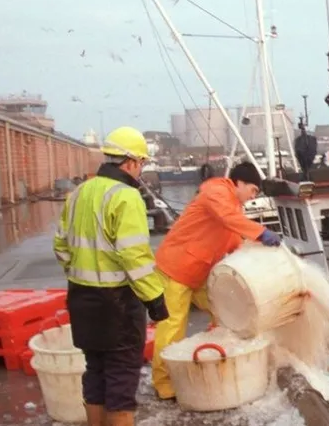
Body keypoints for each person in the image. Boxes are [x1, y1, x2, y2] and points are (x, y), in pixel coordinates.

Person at [53, 126, 169, 426]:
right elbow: (135, 257)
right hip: (117, 303)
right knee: (121, 381)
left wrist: (79, 274)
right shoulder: (127, 197)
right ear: (130, 161)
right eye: (141, 163)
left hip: (81, 298)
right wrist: (155, 298)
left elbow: (61, 246)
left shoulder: (78, 193)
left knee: (96, 373)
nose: (141, 169)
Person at [151, 161, 283, 400]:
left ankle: (218, 357)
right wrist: (261, 233)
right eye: (252, 190)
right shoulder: (217, 192)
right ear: (239, 183)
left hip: (197, 271)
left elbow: (233, 241)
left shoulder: (233, 206)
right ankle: (164, 384)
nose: (252, 197)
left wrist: (258, 254)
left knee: (223, 311)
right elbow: (227, 218)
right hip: (176, 268)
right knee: (171, 328)